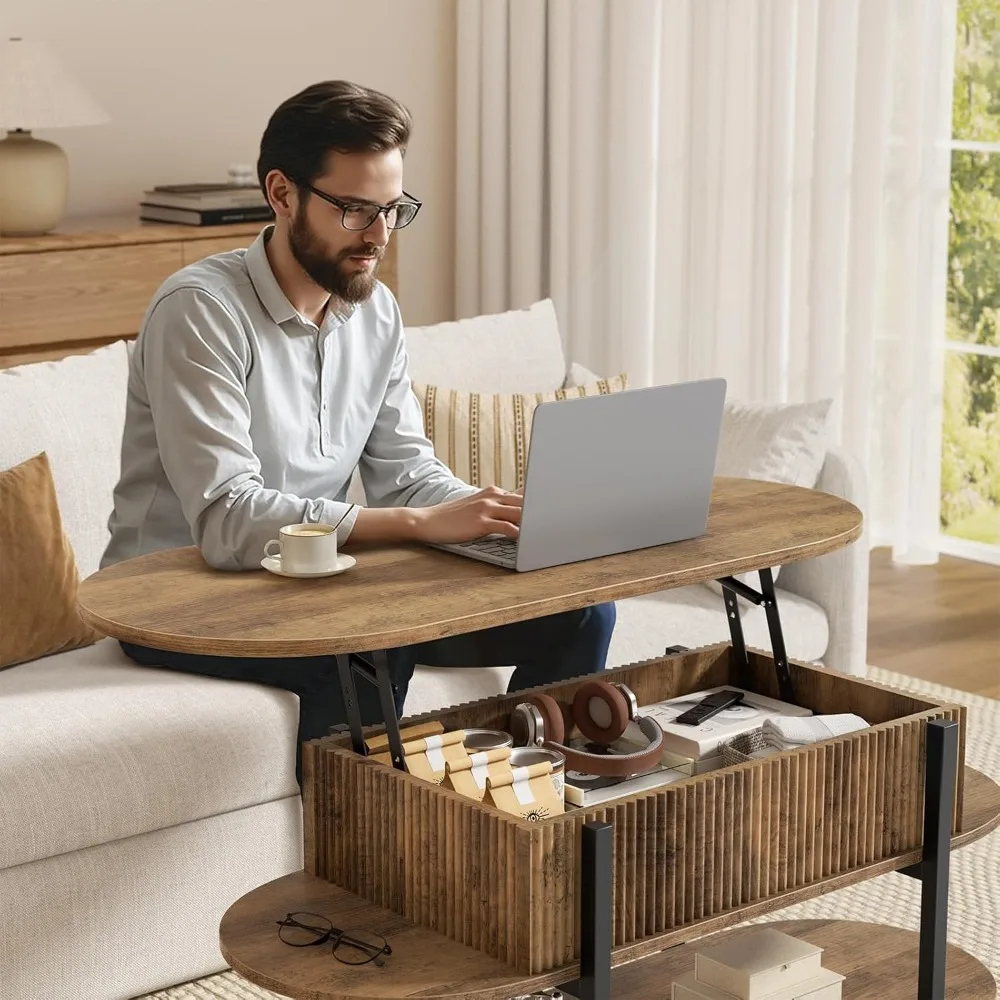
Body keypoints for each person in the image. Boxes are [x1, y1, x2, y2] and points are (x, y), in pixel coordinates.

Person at [102, 79, 616, 786]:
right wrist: (419, 522)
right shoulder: (200, 311)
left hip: (309, 586)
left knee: (581, 614)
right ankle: (357, 867)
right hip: (176, 601)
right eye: (353, 210)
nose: (378, 236)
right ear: (282, 194)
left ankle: (517, 818)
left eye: (392, 210)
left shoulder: (374, 314)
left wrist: (495, 517)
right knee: (374, 647)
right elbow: (228, 519)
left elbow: (408, 472)